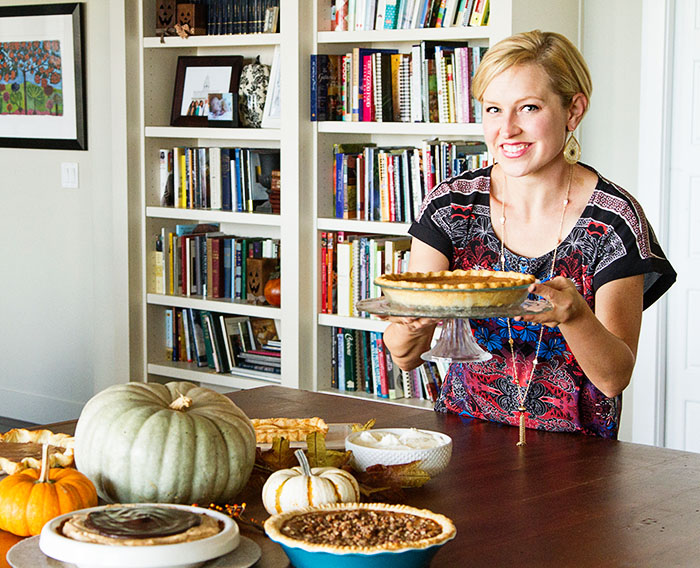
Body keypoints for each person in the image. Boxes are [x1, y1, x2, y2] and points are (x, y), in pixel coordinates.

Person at [382, 30, 676, 439]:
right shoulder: (451, 207)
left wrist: (574, 316)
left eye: (529, 108)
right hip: (461, 444)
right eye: (493, 109)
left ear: (573, 111)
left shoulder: (614, 220)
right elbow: (404, 356)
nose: (507, 129)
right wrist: (413, 322)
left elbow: (613, 378)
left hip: (576, 460)